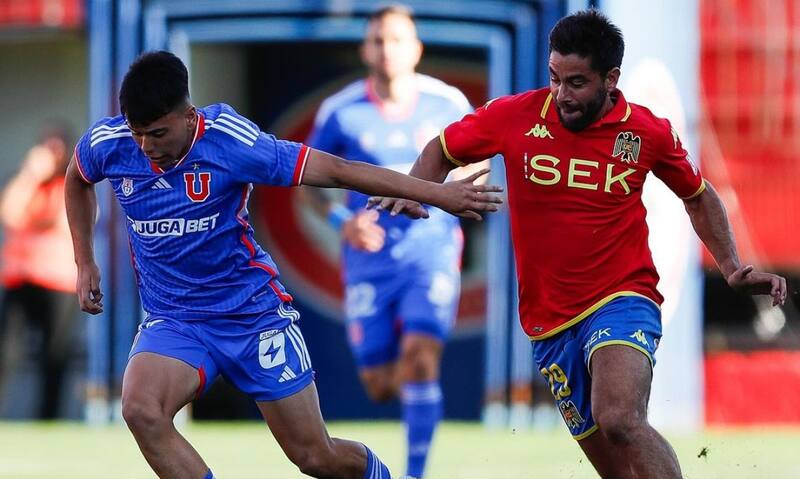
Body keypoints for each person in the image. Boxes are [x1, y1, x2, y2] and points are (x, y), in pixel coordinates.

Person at [369, 9, 787, 479]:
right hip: (548, 319)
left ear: (611, 79)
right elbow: (440, 151)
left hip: (623, 296)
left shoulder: (645, 132)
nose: (561, 95)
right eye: (554, 79)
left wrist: (730, 266)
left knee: (620, 418)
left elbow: (699, 195)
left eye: (576, 83)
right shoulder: (515, 116)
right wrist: (419, 191)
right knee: (614, 466)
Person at [64, 50, 501, 479]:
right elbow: (77, 179)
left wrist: (436, 193)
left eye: (157, 133)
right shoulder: (110, 144)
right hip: (176, 319)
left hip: (253, 316)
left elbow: (335, 170)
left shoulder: (231, 142)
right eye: (137, 133)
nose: (146, 147)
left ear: (188, 115)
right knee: (141, 409)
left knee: (316, 457)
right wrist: (85, 261)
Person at [304, 5, 480, 477]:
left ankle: (414, 474)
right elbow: (311, 186)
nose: (387, 49)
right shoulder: (340, 112)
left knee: (421, 357)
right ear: (365, 49)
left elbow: (475, 164)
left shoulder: (448, 104)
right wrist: (344, 221)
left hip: (431, 251)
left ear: (417, 48)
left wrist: (446, 186)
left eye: (397, 40)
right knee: (380, 384)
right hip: (369, 258)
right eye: (378, 40)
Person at [0, 124, 79, 418]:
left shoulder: (70, 183)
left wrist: (29, 221)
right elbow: (10, 213)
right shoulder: (25, 182)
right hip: (20, 278)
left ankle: (48, 417)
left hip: (57, 283)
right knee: (6, 352)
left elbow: (59, 222)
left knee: (54, 355)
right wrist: (30, 174)